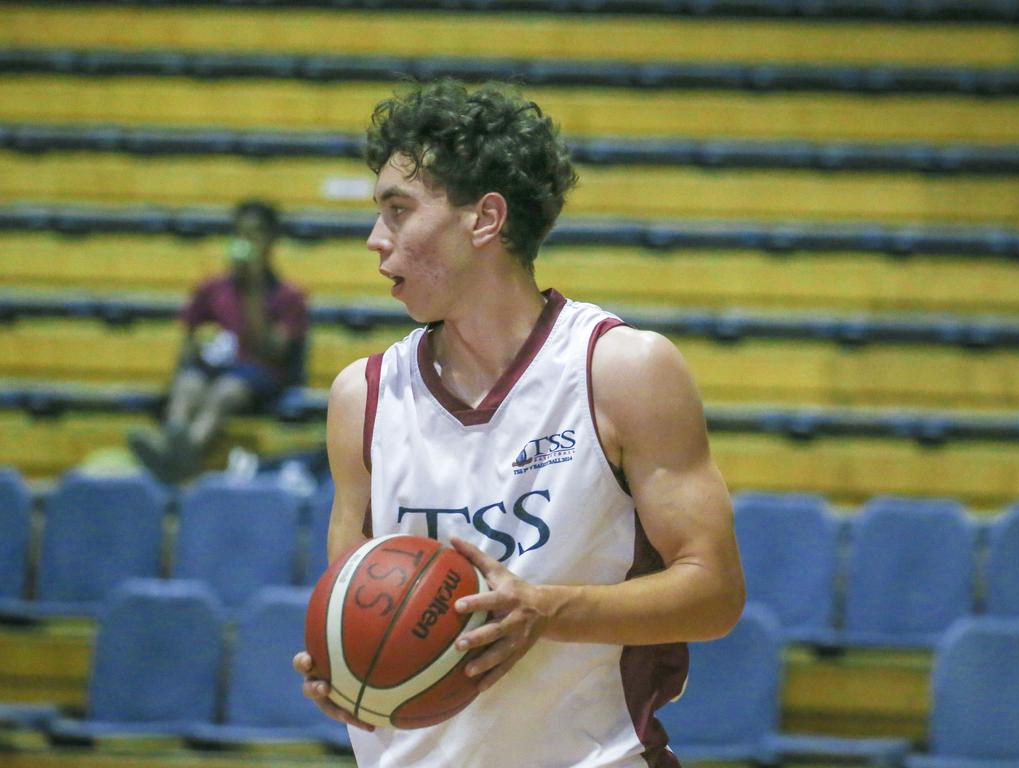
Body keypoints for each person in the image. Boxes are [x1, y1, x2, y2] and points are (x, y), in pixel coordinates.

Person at [293, 80, 745, 768]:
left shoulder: (620, 371)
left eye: (397, 210)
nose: (373, 238)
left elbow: (714, 593)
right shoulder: (364, 396)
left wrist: (547, 609)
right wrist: (344, 669)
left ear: (484, 220)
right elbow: (351, 596)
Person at [130, 200, 308, 483]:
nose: (245, 241)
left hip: (259, 375)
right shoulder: (211, 289)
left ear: (271, 241)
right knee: (188, 383)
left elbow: (275, 351)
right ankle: (172, 443)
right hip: (214, 368)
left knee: (227, 389)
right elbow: (188, 340)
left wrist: (253, 290)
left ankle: (185, 452)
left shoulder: (287, 295)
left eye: (254, 235)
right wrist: (199, 349)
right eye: (240, 234)